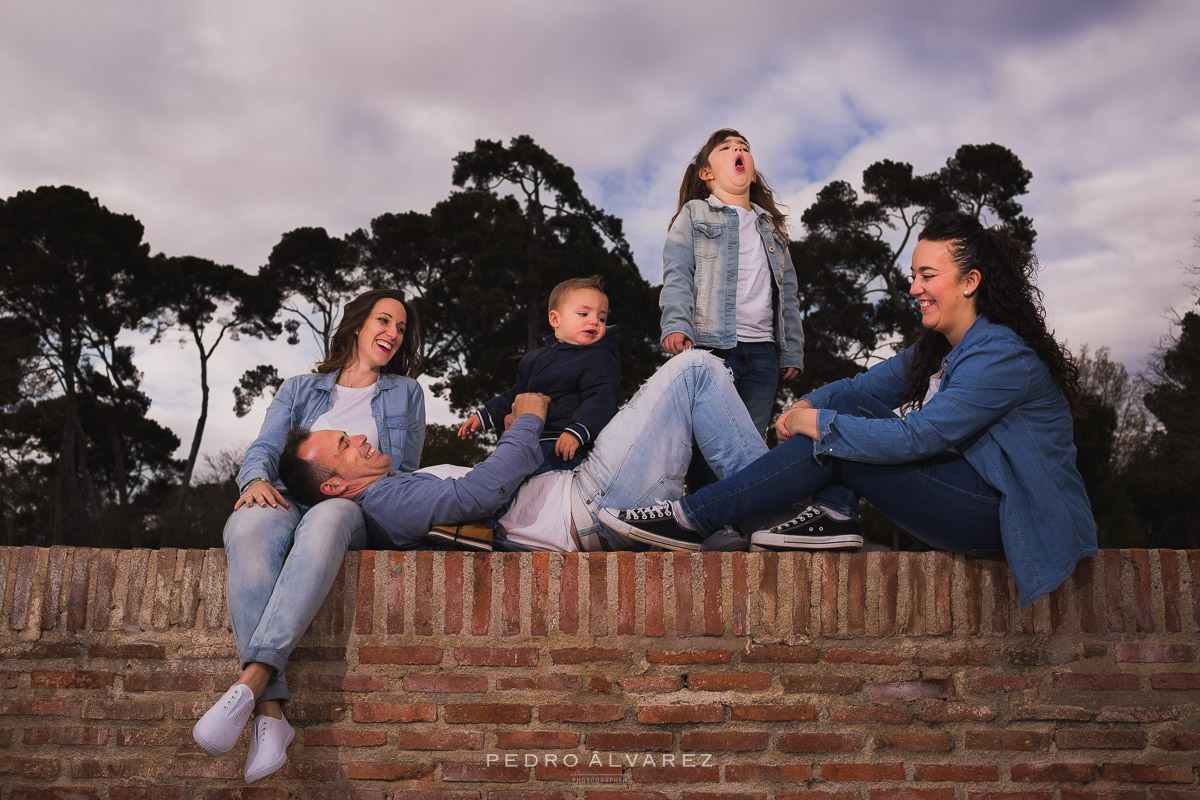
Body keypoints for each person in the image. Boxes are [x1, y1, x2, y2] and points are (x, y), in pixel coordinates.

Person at [601, 211, 1098, 608]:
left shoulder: (1000, 355)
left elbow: (919, 438)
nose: (914, 288)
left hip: (1008, 513)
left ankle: (694, 517)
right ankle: (833, 514)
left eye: (928, 276)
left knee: (837, 428)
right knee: (845, 404)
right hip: (968, 494)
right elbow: (864, 387)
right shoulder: (938, 349)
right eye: (912, 276)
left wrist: (818, 423)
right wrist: (804, 407)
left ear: (970, 282)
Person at [192, 289, 424, 783]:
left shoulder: (406, 394)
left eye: (401, 328)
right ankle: (272, 719)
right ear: (358, 325)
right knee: (250, 525)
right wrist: (254, 480)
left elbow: (405, 471)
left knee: (327, 517)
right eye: (384, 320)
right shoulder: (300, 388)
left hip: (356, 504)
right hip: (288, 495)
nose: (393, 334)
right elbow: (267, 446)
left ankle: (253, 682)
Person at [277, 349, 768, 554]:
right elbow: (481, 494)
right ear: (334, 485)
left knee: (692, 376)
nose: (360, 437)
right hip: (589, 506)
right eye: (344, 445)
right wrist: (528, 420)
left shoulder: (394, 491)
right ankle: (770, 510)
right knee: (694, 367)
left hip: (586, 491)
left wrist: (519, 434)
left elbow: (490, 488)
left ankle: (757, 506)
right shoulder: (384, 502)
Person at [660, 128, 805, 437]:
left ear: (752, 175)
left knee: (749, 442)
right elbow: (678, 272)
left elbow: (788, 294)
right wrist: (676, 323)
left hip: (764, 354)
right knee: (708, 440)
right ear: (706, 173)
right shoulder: (695, 213)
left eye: (744, 147)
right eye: (725, 148)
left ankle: (744, 487)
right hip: (712, 346)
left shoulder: (773, 230)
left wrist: (791, 349)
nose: (738, 150)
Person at [457, 275, 620, 474]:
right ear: (555, 319)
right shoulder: (534, 359)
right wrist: (485, 415)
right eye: (584, 314)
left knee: (513, 481)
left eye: (602, 318)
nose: (595, 321)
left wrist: (578, 430)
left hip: (562, 443)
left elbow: (602, 397)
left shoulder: (599, 357)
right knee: (495, 475)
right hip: (527, 438)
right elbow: (517, 394)